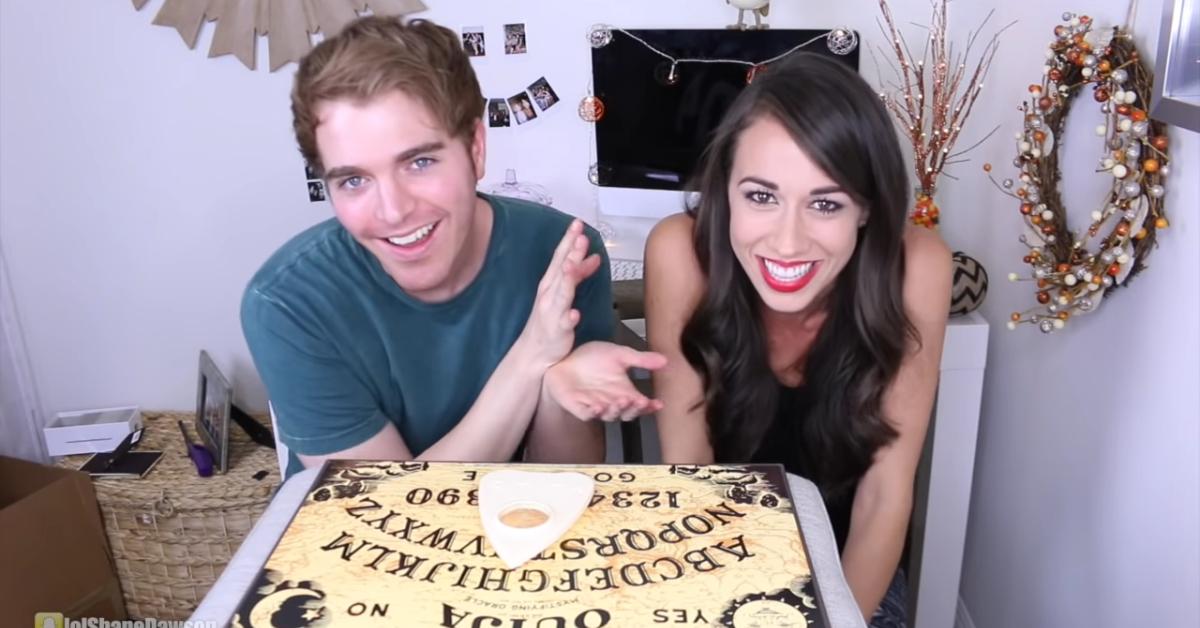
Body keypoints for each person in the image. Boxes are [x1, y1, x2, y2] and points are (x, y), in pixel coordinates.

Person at [242, 16, 664, 480]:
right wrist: (530, 358)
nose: (393, 210)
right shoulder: (288, 302)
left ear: (476, 148)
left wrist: (557, 387)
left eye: (420, 162)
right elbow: (383, 508)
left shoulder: (560, 250)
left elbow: (558, 479)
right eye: (354, 180)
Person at [643, 52, 951, 626]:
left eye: (826, 203)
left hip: (852, 568)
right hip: (720, 551)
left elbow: (885, 493)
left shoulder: (919, 267)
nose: (787, 241)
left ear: (865, 208)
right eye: (761, 196)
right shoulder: (680, 253)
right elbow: (690, 470)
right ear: (725, 189)